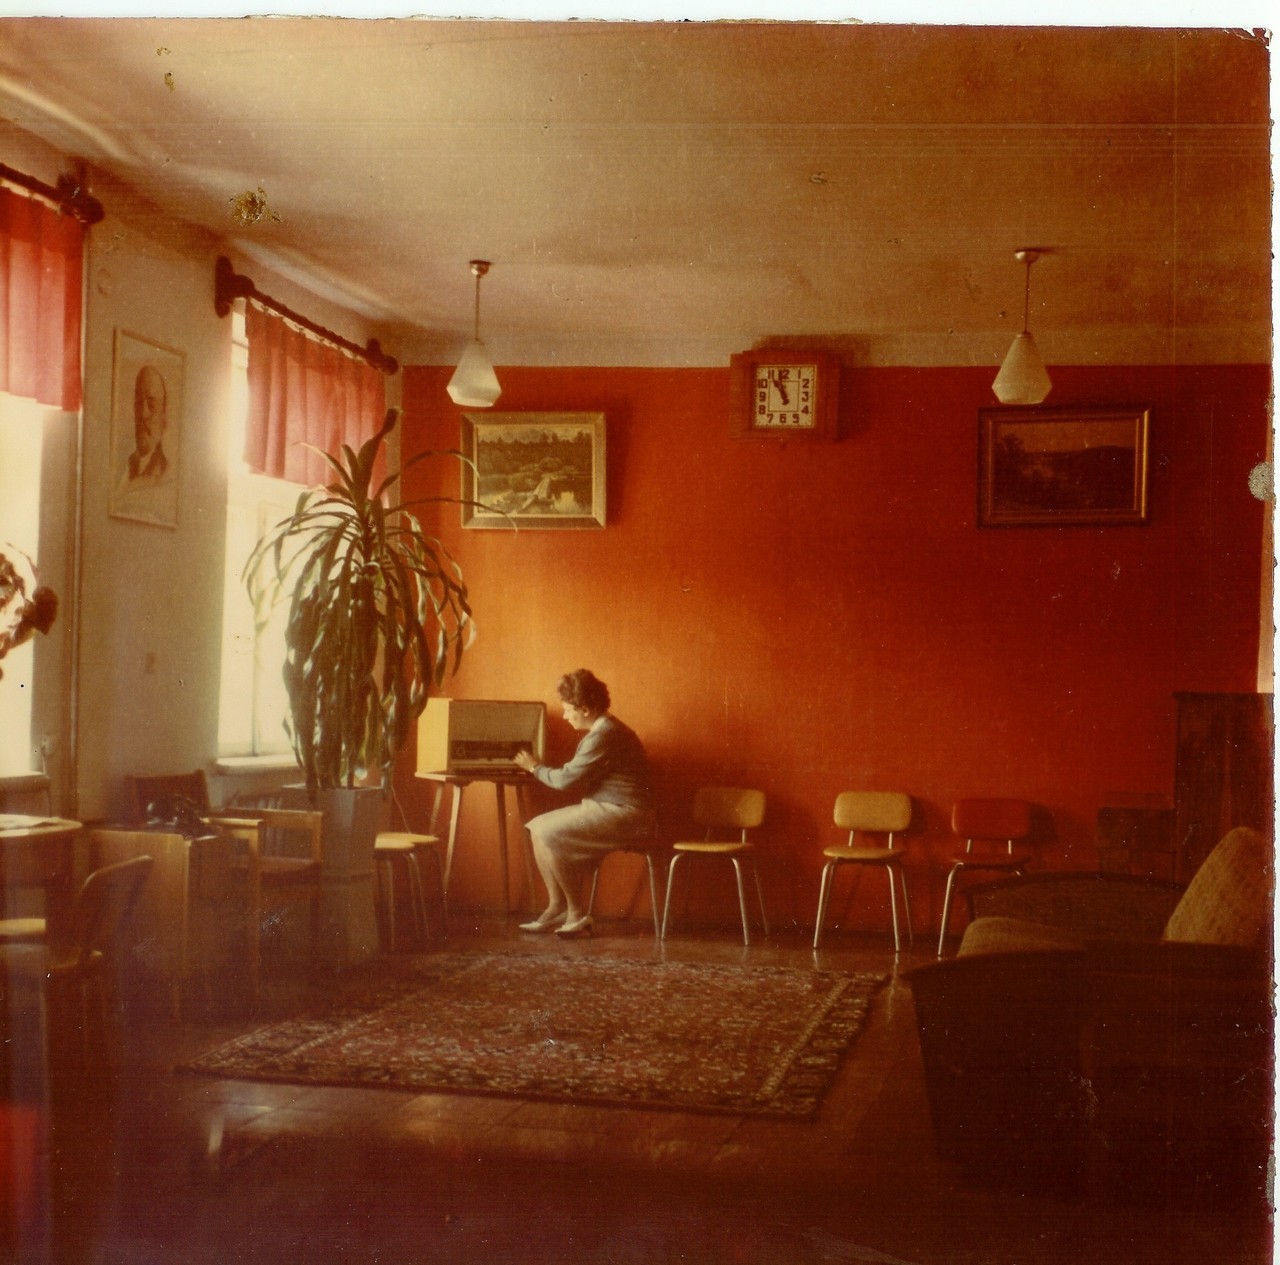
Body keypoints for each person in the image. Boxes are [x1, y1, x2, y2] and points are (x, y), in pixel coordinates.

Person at [512, 669, 655, 938]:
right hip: (608, 807)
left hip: (628, 814)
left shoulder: (604, 734)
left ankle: (576, 913)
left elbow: (565, 780)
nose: (565, 716)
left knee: (548, 831)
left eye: (568, 710)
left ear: (586, 709)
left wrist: (534, 767)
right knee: (536, 827)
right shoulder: (605, 729)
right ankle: (557, 906)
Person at [125, 364, 170, 482]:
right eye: (139, 402)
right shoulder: (128, 464)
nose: (143, 413)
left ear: (164, 418)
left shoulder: (164, 471)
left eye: (152, 404)